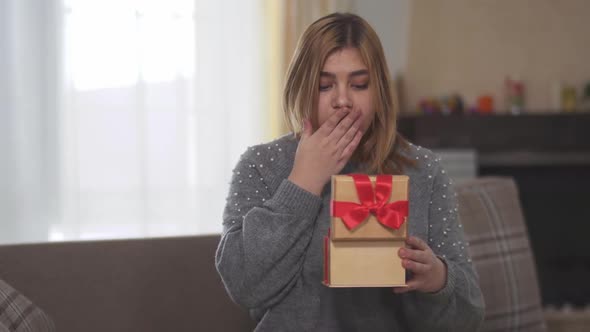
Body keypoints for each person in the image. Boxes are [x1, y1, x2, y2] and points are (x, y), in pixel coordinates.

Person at [216, 13, 484, 331]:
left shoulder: (424, 170)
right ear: (302, 87)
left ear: (379, 91)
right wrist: (304, 181)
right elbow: (243, 286)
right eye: (324, 85)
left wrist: (438, 278)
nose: (342, 100)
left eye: (359, 85)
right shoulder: (260, 165)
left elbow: (470, 316)